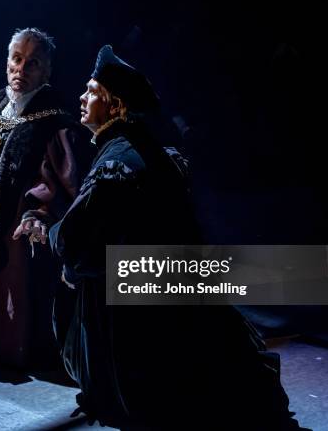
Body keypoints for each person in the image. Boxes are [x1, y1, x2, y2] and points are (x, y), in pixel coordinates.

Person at [49, 45, 309, 430]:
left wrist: (58, 241)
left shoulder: (116, 162)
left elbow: (72, 240)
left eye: (91, 91)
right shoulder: (151, 151)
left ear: (115, 105)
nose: (82, 98)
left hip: (134, 321)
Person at [0, 28, 91, 370]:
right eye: (17, 59)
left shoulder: (55, 122)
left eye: (32, 63)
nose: (21, 70)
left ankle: (18, 351)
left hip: (18, 233)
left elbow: (62, 182)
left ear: (46, 71)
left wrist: (40, 212)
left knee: (14, 296)